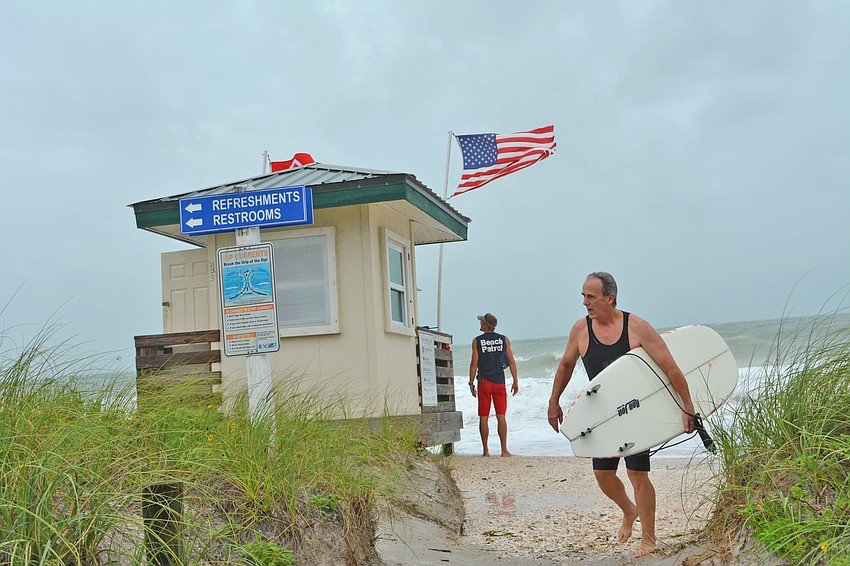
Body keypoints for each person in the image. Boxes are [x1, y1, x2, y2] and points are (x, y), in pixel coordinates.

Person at [547, 272, 695, 558]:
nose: (585, 303)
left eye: (590, 296)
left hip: (635, 411)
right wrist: (554, 402)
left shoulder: (636, 327)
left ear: (609, 298)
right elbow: (565, 365)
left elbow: (670, 368)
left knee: (638, 474)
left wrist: (687, 406)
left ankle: (649, 539)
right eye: (583, 296)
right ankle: (629, 510)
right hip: (602, 415)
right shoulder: (581, 330)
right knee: (603, 474)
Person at [469, 313, 519, 457]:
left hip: (484, 382)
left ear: (486, 324)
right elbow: (512, 362)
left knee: (483, 417)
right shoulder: (504, 339)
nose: (480, 325)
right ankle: (504, 450)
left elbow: (474, 364)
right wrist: (515, 381)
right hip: (499, 382)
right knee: (501, 416)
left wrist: (471, 382)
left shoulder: (477, 341)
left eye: (481, 322)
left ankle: (486, 451)